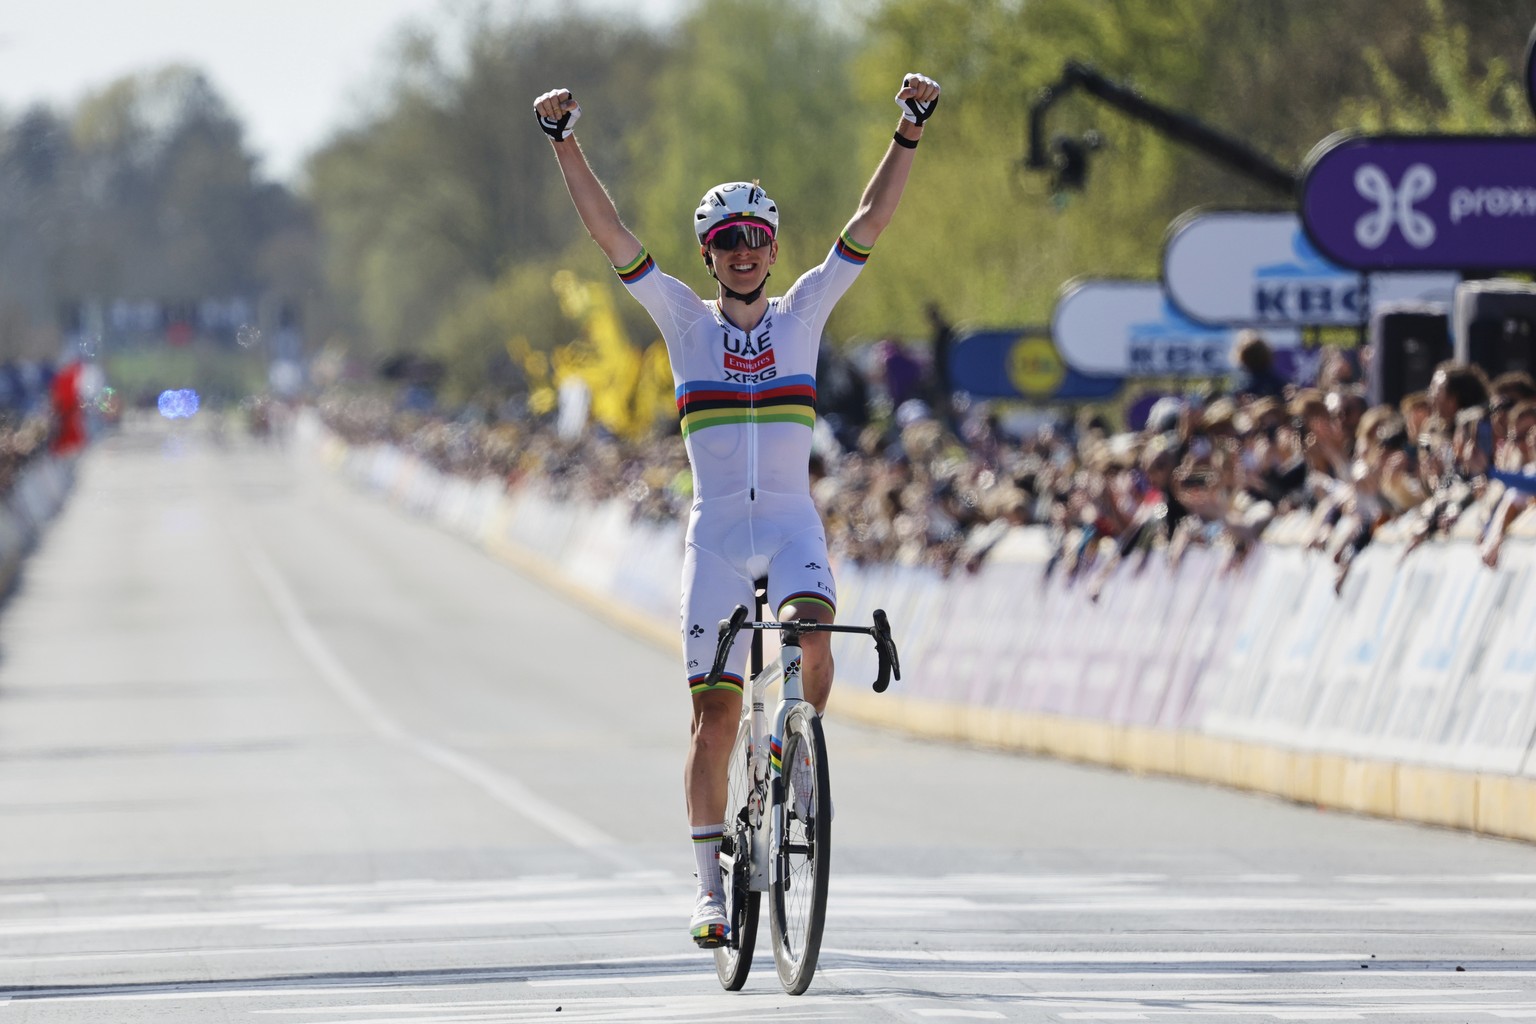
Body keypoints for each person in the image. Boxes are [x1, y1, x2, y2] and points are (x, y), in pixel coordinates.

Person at [533, 71, 941, 948]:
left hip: (790, 525)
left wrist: (908, 129)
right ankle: (709, 889)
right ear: (709, 255)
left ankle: (799, 746)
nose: (744, 251)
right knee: (713, 719)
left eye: (756, 238)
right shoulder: (683, 319)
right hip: (716, 536)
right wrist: (565, 143)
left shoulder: (804, 313)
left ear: (774, 249)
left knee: (813, 636)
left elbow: (869, 222)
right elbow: (611, 233)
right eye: (728, 241)